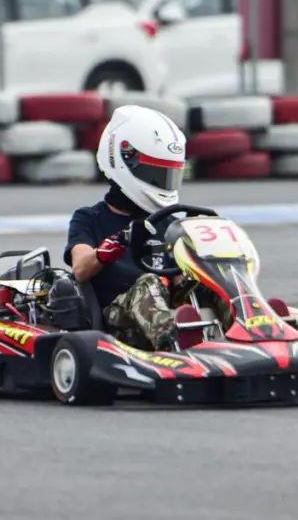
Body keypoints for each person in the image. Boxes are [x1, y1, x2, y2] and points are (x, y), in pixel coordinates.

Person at [64, 104, 200, 350]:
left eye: (168, 175)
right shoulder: (89, 219)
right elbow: (81, 268)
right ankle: (177, 339)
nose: (163, 184)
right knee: (148, 282)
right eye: (157, 175)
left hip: (166, 306)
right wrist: (116, 243)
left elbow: (182, 279)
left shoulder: (166, 222)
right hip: (118, 323)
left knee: (206, 284)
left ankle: (257, 327)